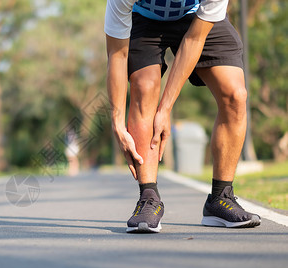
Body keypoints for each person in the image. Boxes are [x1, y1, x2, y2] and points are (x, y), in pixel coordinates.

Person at [104, 0, 261, 233]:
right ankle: (148, 198)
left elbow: (194, 39)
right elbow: (118, 54)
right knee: (144, 86)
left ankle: (220, 198)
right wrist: (117, 123)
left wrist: (165, 108)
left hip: (197, 18)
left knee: (235, 94)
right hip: (143, 18)